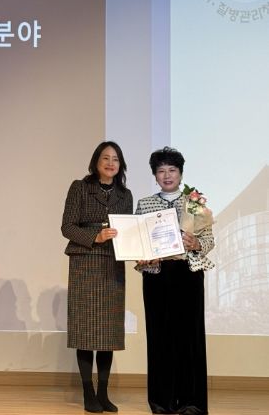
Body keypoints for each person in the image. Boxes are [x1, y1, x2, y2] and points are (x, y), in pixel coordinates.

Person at [135, 147, 215, 415]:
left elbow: (209, 240)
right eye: (161, 171)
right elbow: (138, 242)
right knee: (159, 337)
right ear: (155, 175)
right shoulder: (145, 204)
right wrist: (142, 255)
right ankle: (162, 402)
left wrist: (196, 244)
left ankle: (191, 402)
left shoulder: (194, 202)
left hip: (187, 275)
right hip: (157, 276)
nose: (167, 175)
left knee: (190, 338)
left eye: (172, 170)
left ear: (180, 173)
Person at [61, 141, 133, 413]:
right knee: (86, 330)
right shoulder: (79, 187)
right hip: (85, 261)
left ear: (120, 164)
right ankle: (87, 392)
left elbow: (129, 231)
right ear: (96, 162)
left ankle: (103, 392)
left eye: (115, 159)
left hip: (113, 263)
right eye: (106, 158)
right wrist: (95, 236)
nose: (110, 163)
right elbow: (67, 227)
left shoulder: (125, 194)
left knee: (108, 332)